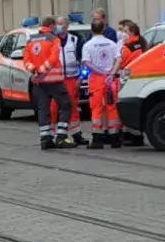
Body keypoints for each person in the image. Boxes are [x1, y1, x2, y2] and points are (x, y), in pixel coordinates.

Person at [24, 16, 75, 149]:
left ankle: (45, 139)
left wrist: (35, 71)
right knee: (66, 105)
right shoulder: (54, 39)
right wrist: (42, 70)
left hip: (38, 83)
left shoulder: (30, 40)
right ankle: (61, 137)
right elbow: (53, 58)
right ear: (52, 26)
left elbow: (26, 61)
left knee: (43, 109)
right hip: (54, 81)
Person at [82, 16, 123, 149]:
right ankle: (114, 138)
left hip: (96, 79)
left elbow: (87, 63)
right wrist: (111, 72)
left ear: (92, 30)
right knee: (112, 107)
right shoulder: (112, 44)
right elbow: (119, 59)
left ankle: (97, 139)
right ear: (104, 29)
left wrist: (100, 72)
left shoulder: (88, 45)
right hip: (111, 79)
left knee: (97, 108)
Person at [49, 15, 87, 145]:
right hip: (56, 80)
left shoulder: (75, 40)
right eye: (58, 24)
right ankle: (52, 134)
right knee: (54, 108)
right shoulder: (52, 41)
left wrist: (81, 78)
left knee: (73, 107)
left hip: (72, 79)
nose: (60, 26)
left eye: (62, 24)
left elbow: (83, 61)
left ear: (67, 26)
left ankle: (76, 134)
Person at [115, 19, 147, 147]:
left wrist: (113, 71)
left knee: (127, 105)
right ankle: (137, 135)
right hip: (140, 76)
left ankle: (132, 136)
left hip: (128, 77)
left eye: (125, 31)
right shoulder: (141, 42)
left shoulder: (127, 46)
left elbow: (122, 62)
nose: (122, 33)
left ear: (132, 32)